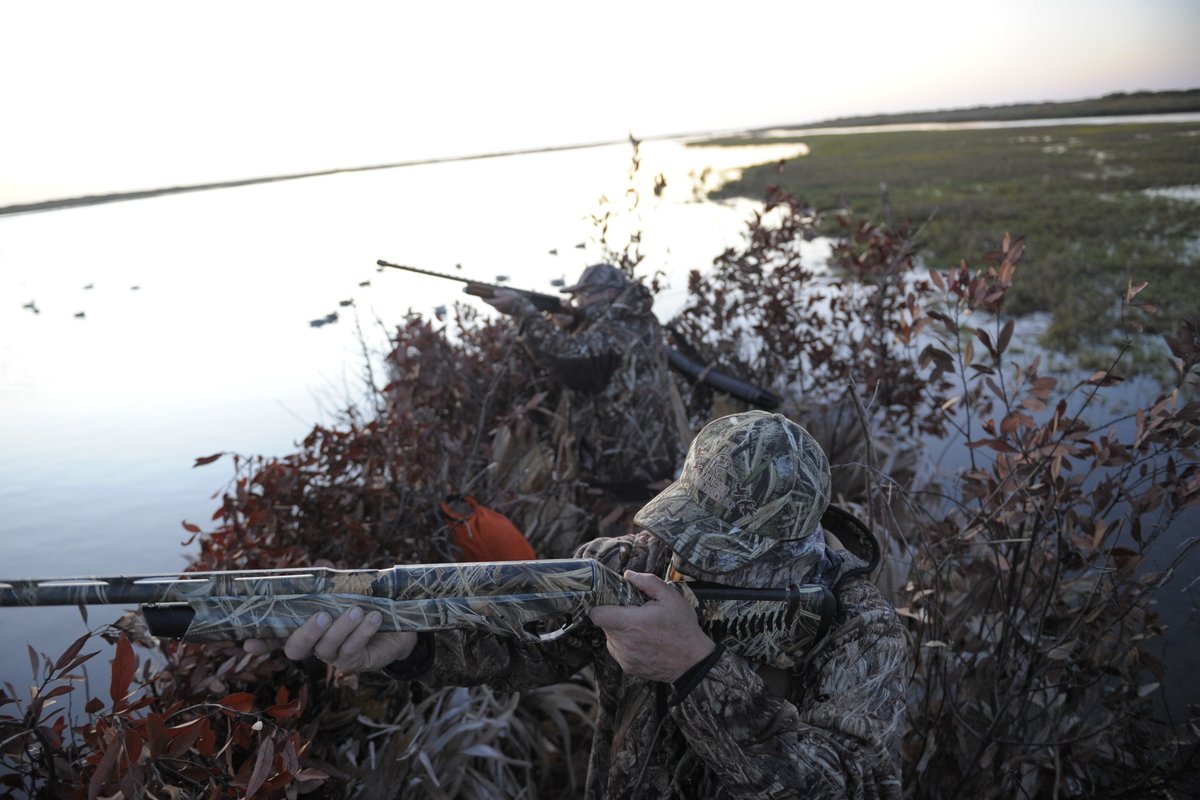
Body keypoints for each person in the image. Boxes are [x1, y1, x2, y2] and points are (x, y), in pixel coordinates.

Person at [246, 411, 909, 799]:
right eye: (688, 527)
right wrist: (411, 645)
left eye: (722, 546)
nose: (688, 557)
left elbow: (850, 784)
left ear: (796, 539)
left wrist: (698, 669)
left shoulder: (859, 630)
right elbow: (528, 644)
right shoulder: (634, 563)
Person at [482, 263, 687, 500]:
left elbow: (566, 358)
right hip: (649, 468)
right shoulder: (641, 319)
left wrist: (522, 311)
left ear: (611, 294)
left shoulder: (619, 327)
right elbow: (601, 356)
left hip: (623, 480)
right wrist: (576, 324)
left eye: (586, 295)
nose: (580, 303)